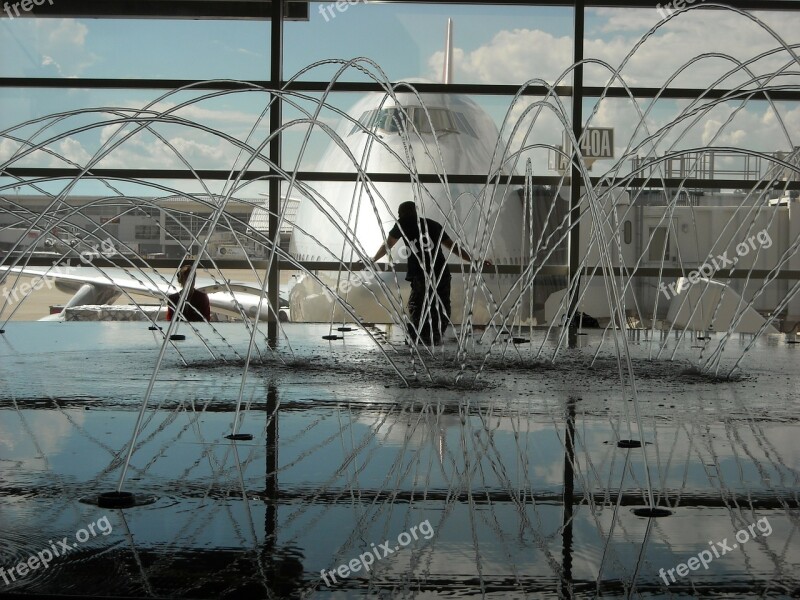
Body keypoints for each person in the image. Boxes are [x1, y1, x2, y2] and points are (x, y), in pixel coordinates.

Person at [368, 201, 491, 345]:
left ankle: (419, 338)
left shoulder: (402, 225)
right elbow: (453, 248)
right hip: (441, 272)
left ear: (402, 214)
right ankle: (436, 336)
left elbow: (388, 245)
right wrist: (474, 261)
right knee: (442, 305)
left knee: (418, 306)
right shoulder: (434, 225)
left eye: (399, 214)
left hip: (420, 274)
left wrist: (373, 259)